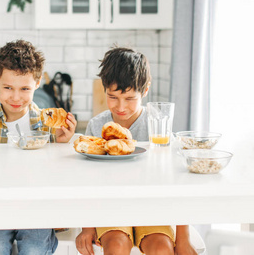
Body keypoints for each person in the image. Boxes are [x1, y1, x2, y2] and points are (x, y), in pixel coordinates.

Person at [0, 39, 77, 255]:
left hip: (36, 208)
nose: (15, 97)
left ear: (37, 83)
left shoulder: (48, 123)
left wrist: (61, 144)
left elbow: (58, 174)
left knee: (34, 249)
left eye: (24, 89)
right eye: (7, 87)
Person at [75, 47, 197, 255]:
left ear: (145, 90)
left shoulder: (158, 126)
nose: (121, 107)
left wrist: (183, 238)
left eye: (130, 98)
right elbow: (88, 181)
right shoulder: (96, 127)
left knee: (161, 249)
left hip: (152, 208)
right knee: (115, 246)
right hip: (111, 209)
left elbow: (178, 183)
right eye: (112, 97)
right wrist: (87, 227)